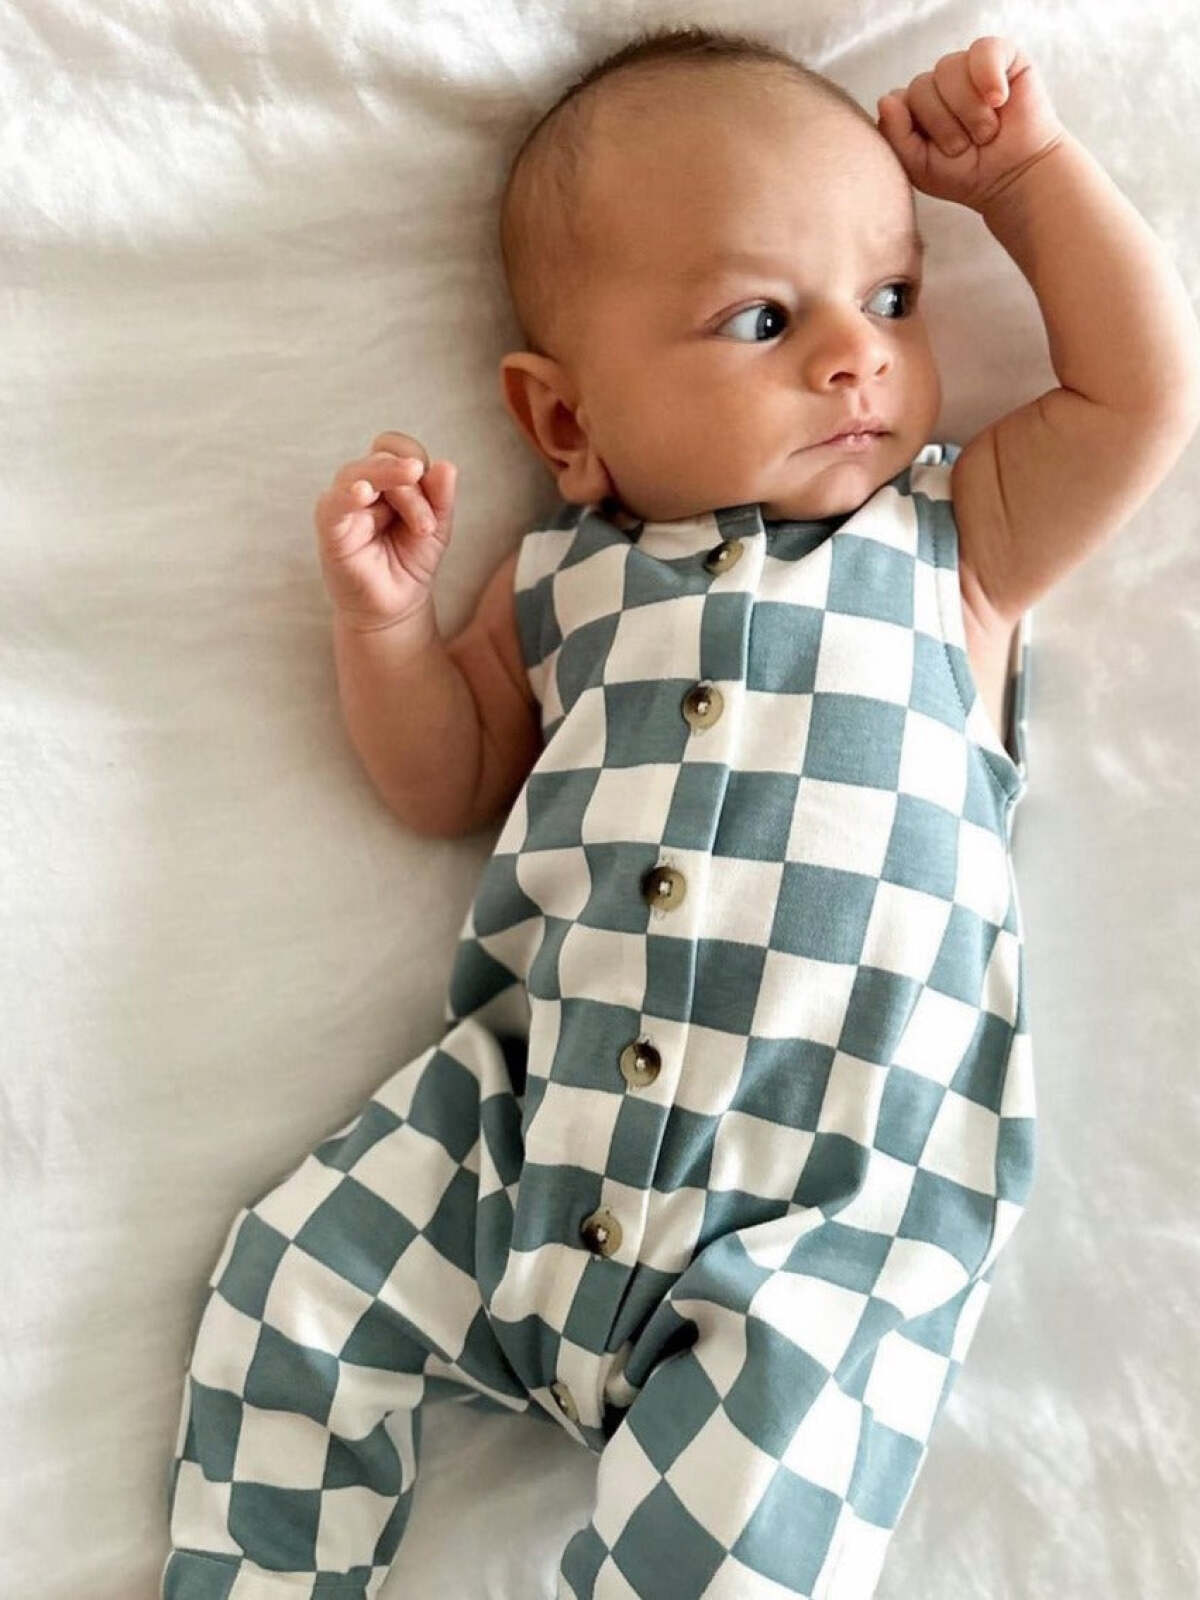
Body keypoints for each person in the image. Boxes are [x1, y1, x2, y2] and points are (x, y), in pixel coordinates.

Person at [161, 25, 1200, 1600]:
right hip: (522, 1139)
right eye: (765, 317)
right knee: (296, 1277)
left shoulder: (951, 543)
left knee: (739, 1551)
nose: (857, 354)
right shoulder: (557, 582)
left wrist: (1030, 182)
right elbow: (444, 780)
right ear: (565, 425)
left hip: (823, 1233)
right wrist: (385, 631)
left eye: (896, 298)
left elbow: (1137, 395)